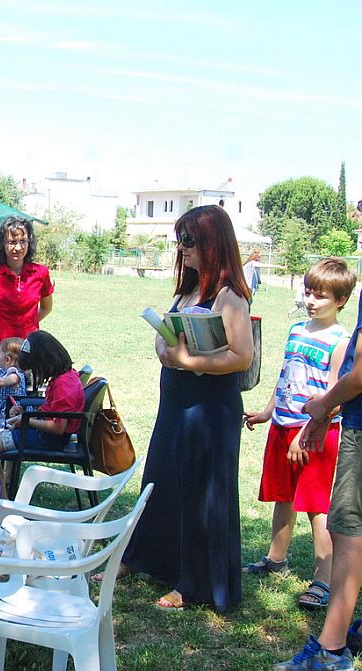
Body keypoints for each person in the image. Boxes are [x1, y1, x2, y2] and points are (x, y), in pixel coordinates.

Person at [119, 205, 253, 612]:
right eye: (179, 240)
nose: (182, 248)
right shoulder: (188, 289)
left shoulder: (230, 297)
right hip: (175, 403)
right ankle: (145, 557)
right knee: (162, 478)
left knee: (202, 491)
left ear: (213, 243)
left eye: (189, 240)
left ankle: (196, 582)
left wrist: (189, 361)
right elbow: (167, 338)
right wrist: (165, 348)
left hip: (210, 409)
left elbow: (241, 356)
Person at [243, 259, 355, 612]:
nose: (311, 300)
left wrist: (307, 432)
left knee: (316, 506)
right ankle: (276, 558)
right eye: (308, 292)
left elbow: (336, 396)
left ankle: (323, 578)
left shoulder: (342, 341)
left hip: (315, 435)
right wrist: (267, 411)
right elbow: (285, 376)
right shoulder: (296, 330)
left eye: (320, 296)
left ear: (341, 300)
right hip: (282, 426)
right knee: (284, 496)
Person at [273, 270, 362, 670]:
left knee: (340, 526)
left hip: (337, 429)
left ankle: (329, 640)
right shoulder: (296, 329)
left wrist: (319, 412)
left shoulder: (340, 339)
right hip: (301, 421)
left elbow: (352, 378)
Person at [0, 330, 85, 494]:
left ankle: (1, 498)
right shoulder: (65, 377)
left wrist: (25, 420)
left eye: (35, 369)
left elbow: (57, 427)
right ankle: (1, 493)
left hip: (49, 440)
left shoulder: (64, 385)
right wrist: (29, 413)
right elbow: (52, 411)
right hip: (44, 435)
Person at [0, 216, 53, 365]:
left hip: (30, 350)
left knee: (30, 389)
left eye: (22, 241)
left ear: (29, 243)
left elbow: (46, 307)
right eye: (11, 242)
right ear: (2, 244)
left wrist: (27, 323)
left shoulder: (41, 273)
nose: (17, 248)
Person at [0, 336, 27, 433]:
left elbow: (4, 381)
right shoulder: (0, 372)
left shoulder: (16, 374)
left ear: (7, 360)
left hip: (12, 412)